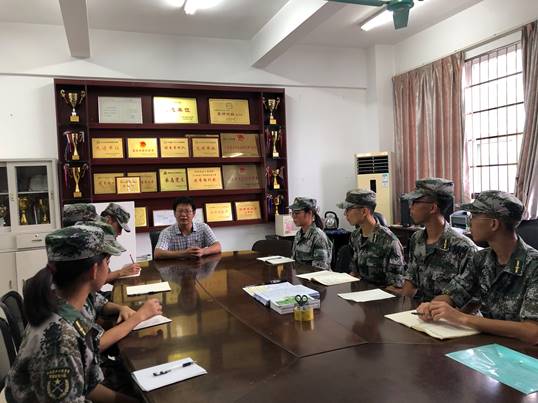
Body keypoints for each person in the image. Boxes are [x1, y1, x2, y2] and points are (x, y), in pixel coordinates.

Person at [4, 225, 140, 402]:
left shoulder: (66, 309)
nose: (109, 268)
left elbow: (87, 385)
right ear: (94, 270)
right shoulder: (60, 340)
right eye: (107, 262)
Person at [417, 191, 538, 344]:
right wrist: (434, 307)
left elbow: (532, 332)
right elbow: (455, 292)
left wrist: (461, 318)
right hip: (489, 346)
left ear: (493, 224)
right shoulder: (481, 258)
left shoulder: (534, 265)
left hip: (523, 352)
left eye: (473, 217)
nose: (469, 223)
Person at [386, 178, 477, 301]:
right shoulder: (416, 239)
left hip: (447, 312)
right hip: (419, 310)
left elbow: (471, 301)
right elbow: (411, 282)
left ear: (433, 208)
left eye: (415, 202)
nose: (410, 208)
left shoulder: (463, 247)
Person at [337, 189, 404, 287]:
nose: (345, 214)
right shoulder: (355, 236)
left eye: (348, 209)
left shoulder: (389, 242)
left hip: (382, 295)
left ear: (364, 211)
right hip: (360, 292)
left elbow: (397, 287)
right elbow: (355, 273)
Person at [154, 197, 222, 259]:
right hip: (176, 267)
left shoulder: (203, 227)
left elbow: (217, 246)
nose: (183, 215)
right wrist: (184, 253)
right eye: (180, 211)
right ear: (174, 213)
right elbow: (157, 253)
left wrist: (203, 251)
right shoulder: (167, 232)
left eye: (187, 211)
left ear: (194, 213)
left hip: (198, 267)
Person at [289, 197, 332, 270]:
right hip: (300, 275)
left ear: (309, 213)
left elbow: (320, 270)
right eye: (292, 213)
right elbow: (294, 262)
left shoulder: (318, 237)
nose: (293, 216)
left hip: (314, 276)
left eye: (297, 213)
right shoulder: (298, 234)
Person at [100, 203, 141, 280]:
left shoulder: (103, 239)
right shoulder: (92, 239)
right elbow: (93, 280)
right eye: (119, 227)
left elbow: (104, 275)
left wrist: (127, 273)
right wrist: (122, 272)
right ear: (108, 220)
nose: (120, 233)